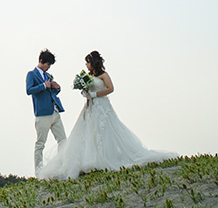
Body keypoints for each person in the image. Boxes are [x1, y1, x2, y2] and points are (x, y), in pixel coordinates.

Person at [38, 50, 176, 180]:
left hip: (101, 106)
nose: (86, 65)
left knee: (103, 131)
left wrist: (95, 94)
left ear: (94, 62)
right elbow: (87, 89)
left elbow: (110, 88)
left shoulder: (103, 75)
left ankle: (104, 158)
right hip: (89, 107)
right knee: (87, 132)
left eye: (87, 62)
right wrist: (85, 93)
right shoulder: (88, 76)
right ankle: (88, 159)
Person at [26, 48, 66, 174]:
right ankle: (38, 172)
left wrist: (56, 88)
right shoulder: (31, 74)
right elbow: (29, 90)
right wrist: (43, 85)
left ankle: (62, 166)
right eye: (47, 64)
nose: (48, 67)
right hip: (42, 114)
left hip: (54, 111)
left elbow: (51, 92)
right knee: (40, 143)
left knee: (63, 140)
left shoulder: (48, 76)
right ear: (41, 61)